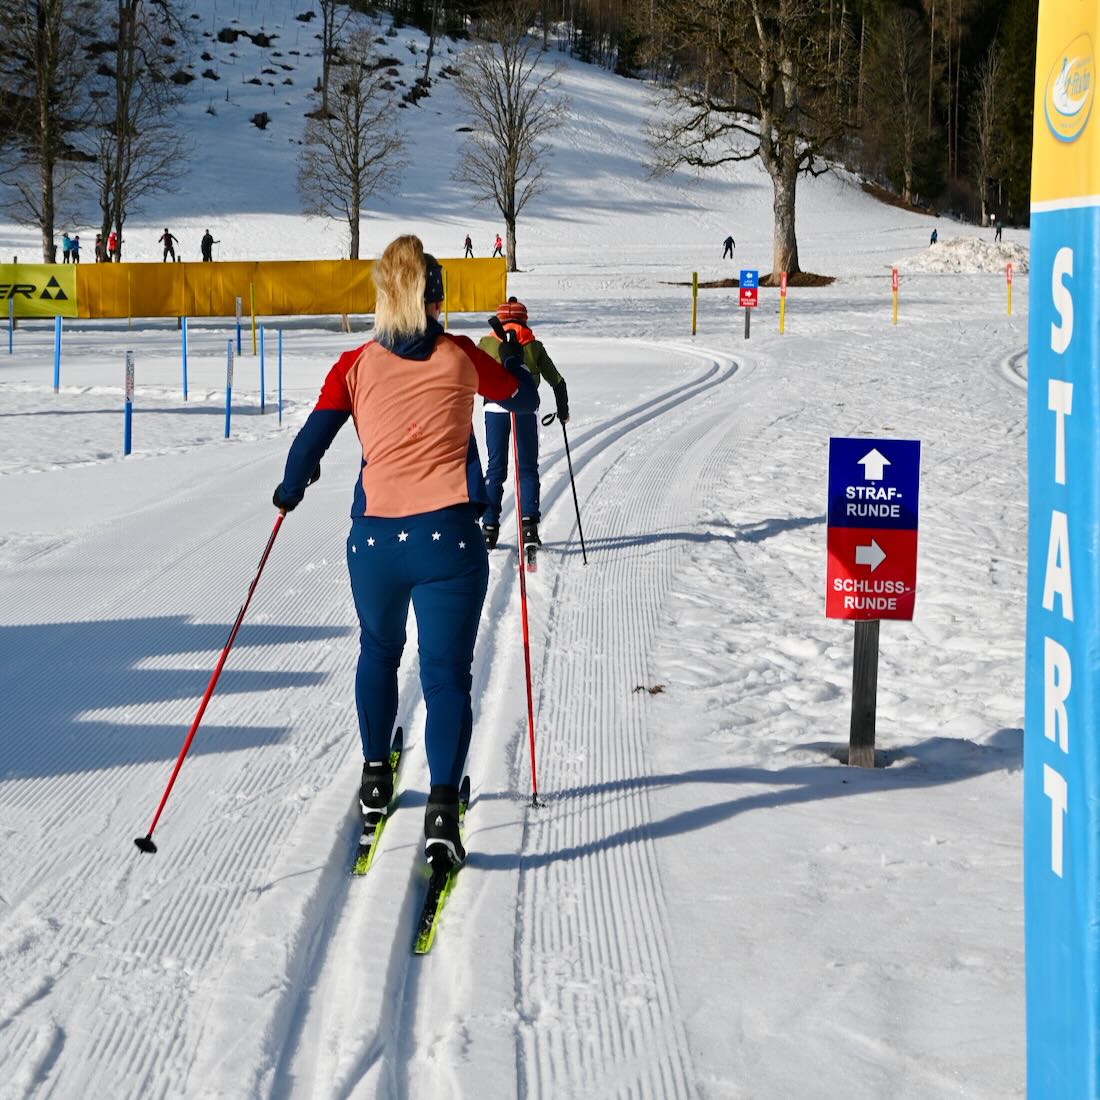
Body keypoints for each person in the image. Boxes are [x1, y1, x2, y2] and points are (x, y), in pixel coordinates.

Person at [272, 235, 537, 869]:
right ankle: (443, 807)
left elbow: (309, 447)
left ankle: (374, 776)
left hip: (375, 543)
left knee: (379, 652)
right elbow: (520, 398)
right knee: (446, 676)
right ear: (436, 299)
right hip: (448, 537)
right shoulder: (464, 356)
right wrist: (516, 351)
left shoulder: (353, 364)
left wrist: (289, 490)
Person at [478, 297, 569, 551]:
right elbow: (558, 382)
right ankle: (529, 527)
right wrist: (563, 412)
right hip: (526, 409)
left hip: (494, 407)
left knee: (495, 467)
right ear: (524, 320)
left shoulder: (486, 343)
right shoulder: (533, 345)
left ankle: (489, 529)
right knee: (527, 467)